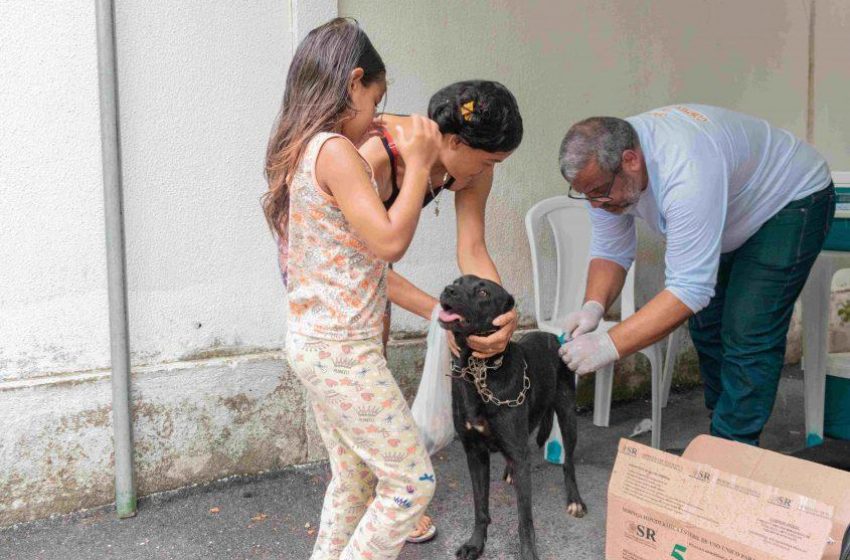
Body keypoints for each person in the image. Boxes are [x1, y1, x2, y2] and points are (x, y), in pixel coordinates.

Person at [263, 18, 442, 559]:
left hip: (315, 343)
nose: (374, 117)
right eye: (376, 98)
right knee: (412, 483)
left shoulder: (298, 148)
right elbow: (389, 242)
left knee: (356, 481)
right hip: (343, 351)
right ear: (353, 81)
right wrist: (420, 167)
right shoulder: (335, 150)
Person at [556, 104, 834, 446]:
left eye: (598, 193)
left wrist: (608, 345)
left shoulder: (686, 168)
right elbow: (611, 251)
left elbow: (689, 290)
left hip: (788, 200)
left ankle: (731, 452)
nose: (595, 204)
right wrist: (593, 308)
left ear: (631, 160)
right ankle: (722, 434)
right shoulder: (603, 174)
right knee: (707, 325)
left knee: (748, 330)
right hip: (728, 207)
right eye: (585, 195)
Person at [358, 81, 523, 542]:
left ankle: (379, 498)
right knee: (365, 380)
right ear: (453, 142)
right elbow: (363, 269)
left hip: (371, 270)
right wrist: (442, 312)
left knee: (375, 380)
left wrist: (500, 312)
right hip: (332, 279)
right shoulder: (375, 157)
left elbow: (472, 247)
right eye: (489, 161)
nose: (491, 170)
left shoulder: (469, 166)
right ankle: (383, 499)